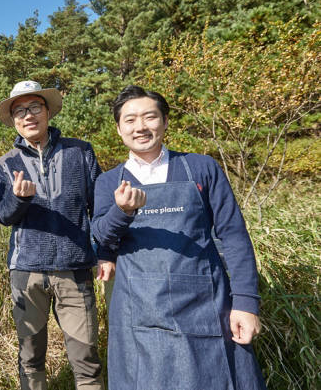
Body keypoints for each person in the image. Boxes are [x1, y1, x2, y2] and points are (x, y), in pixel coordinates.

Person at [92, 85, 266, 389]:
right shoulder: (109, 182)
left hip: (207, 305)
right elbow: (102, 238)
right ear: (119, 128)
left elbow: (234, 236)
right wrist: (122, 211)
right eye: (130, 120)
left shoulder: (201, 168)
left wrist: (246, 304)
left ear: (165, 121)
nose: (141, 127)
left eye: (150, 117)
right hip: (139, 313)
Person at [0, 80, 113, 390]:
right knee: (30, 356)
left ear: (48, 111)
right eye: (20, 111)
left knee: (86, 357)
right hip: (26, 272)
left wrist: (105, 252)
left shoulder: (80, 151)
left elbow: (97, 208)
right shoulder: (5, 164)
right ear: (14, 120)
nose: (28, 115)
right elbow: (4, 216)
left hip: (74, 269)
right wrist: (20, 199)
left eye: (35, 107)